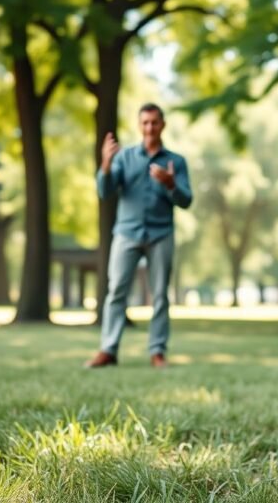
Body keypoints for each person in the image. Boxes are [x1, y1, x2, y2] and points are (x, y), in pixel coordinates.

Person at [84, 103, 192, 369]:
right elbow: (104, 191)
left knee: (159, 296)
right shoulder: (125, 157)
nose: (149, 128)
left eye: (154, 122)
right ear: (139, 125)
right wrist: (106, 165)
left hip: (161, 234)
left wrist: (170, 184)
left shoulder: (175, 162)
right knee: (116, 291)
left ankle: (157, 352)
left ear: (162, 125)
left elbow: (186, 200)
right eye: (145, 123)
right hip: (127, 233)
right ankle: (108, 350)